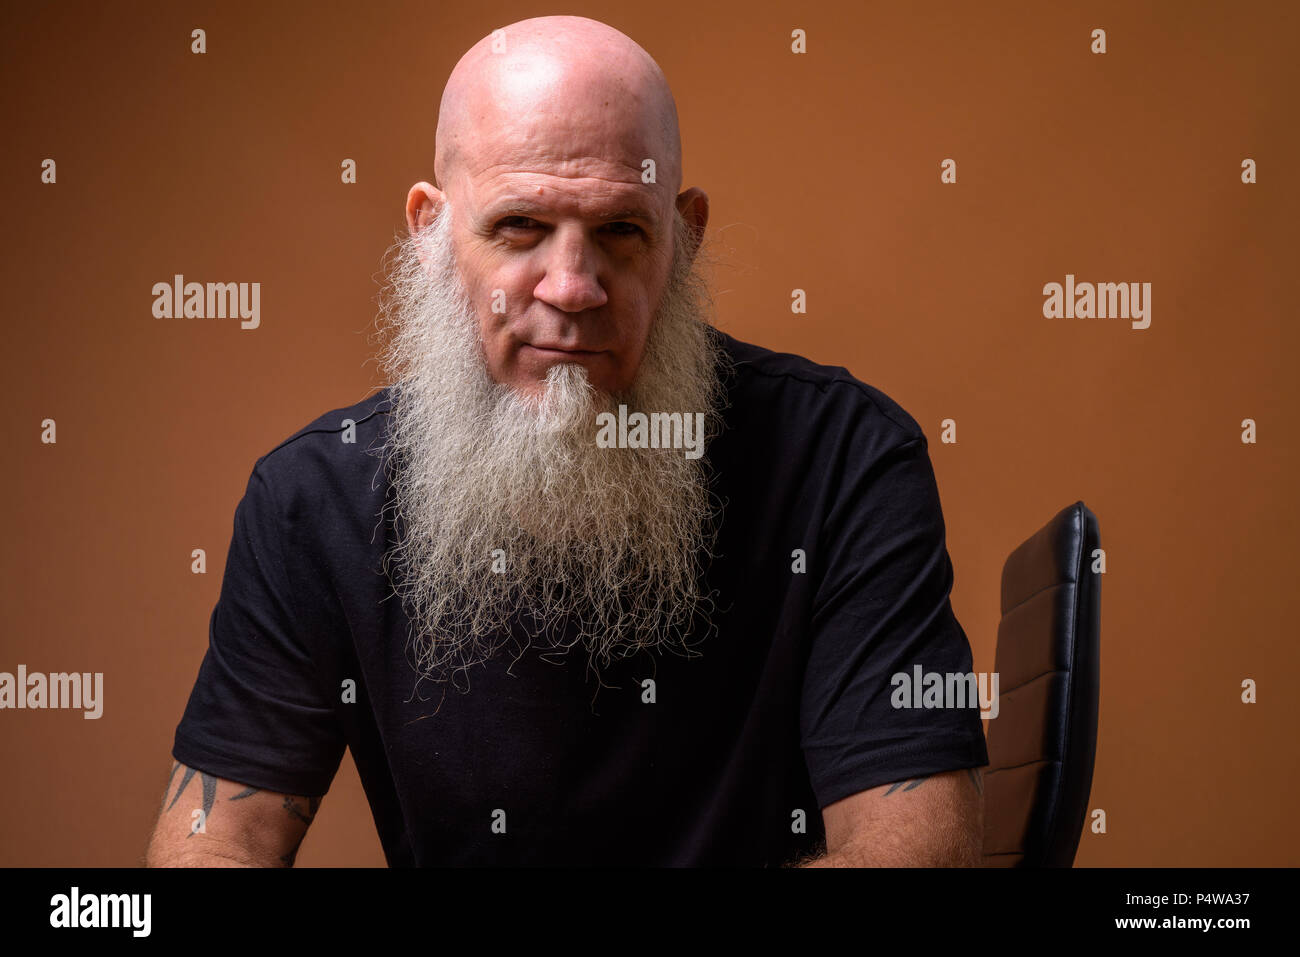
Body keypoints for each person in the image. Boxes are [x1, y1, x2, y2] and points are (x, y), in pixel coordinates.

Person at [145, 14, 987, 868]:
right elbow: (219, 839)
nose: (573, 286)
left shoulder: (842, 457)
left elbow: (915, 854)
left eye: (622, 229)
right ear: (432, 233)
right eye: (519, 226)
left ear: (685, 238)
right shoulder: (309, 502)